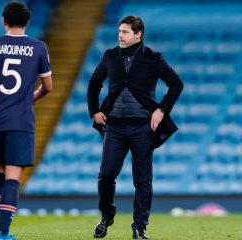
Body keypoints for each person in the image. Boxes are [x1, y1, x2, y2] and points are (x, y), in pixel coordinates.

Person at [87, 15, 183, 239]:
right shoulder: (110, 56)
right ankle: (107, 214)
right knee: (107, 174)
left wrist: (161, 110)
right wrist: (94, 110)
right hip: (114, 127)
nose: (120, 35)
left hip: (142, 127)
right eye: (119, 31)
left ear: (138, 34)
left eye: (125, 32)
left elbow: (177, 84)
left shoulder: (153, 58)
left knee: (142, 179)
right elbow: (94, 82)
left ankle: (140, 226)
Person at [0, 2, 53, 240]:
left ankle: (1, 228)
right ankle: (3, 232)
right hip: (21, 118)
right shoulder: (38, 47)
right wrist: (30, 99)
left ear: (4, 21)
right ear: (27, 22)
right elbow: (48, 86)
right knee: (13, 175)